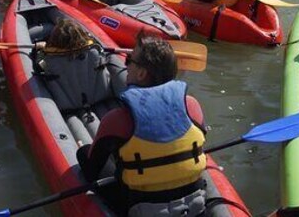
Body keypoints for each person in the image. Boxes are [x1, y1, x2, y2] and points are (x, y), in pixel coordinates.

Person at [76, 34, 208, 216]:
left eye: (130, 60)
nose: (126, 65)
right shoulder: (192, 105)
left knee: (84, 153)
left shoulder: (117, 119)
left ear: (141, 73)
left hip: (143, 209)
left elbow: (92, 169)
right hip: (194, 204)